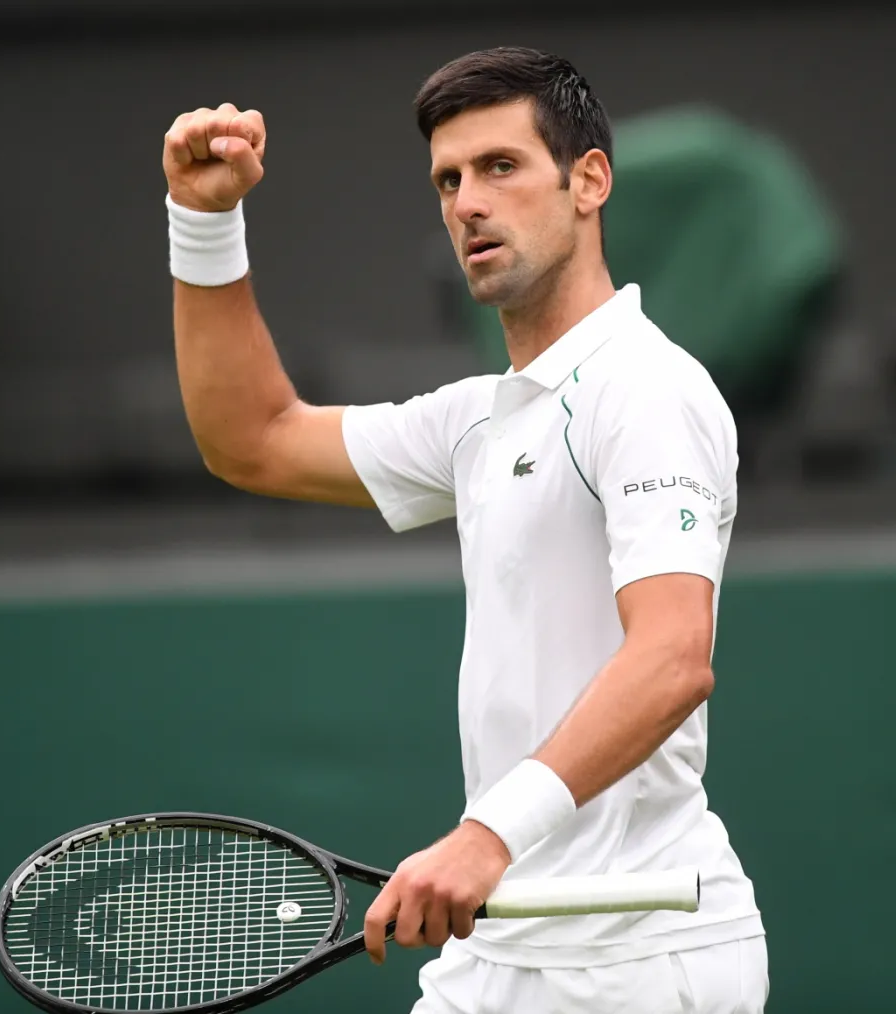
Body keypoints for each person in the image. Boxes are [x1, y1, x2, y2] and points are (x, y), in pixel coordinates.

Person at [162, 47, 766, 1013]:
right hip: (501, 953)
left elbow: (674, 657)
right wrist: (204, 220)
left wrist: (485, 837)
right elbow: (253, 440)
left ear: (589, 182)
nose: (467, 203)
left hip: (640, 960)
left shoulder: (647, 390)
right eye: (448, 180)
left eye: (500, 167)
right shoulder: (485, 418)